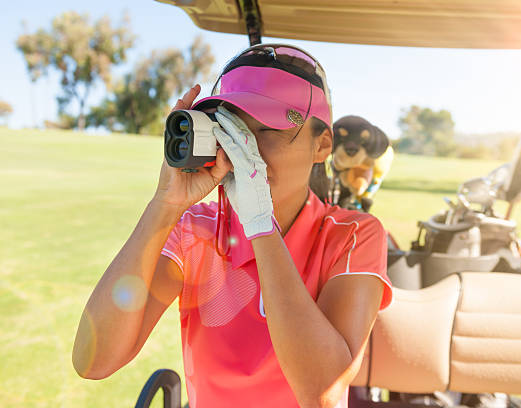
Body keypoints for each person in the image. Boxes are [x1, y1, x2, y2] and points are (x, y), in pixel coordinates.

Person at [72, 43, 393, 408]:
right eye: (233, 129)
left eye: (267, 130)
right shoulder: (196, 232)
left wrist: (260, 224)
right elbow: (93, 361)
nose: (246, 150)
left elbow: (322, 393)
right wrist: (165, 205)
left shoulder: (353, 235)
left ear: (321, 146)